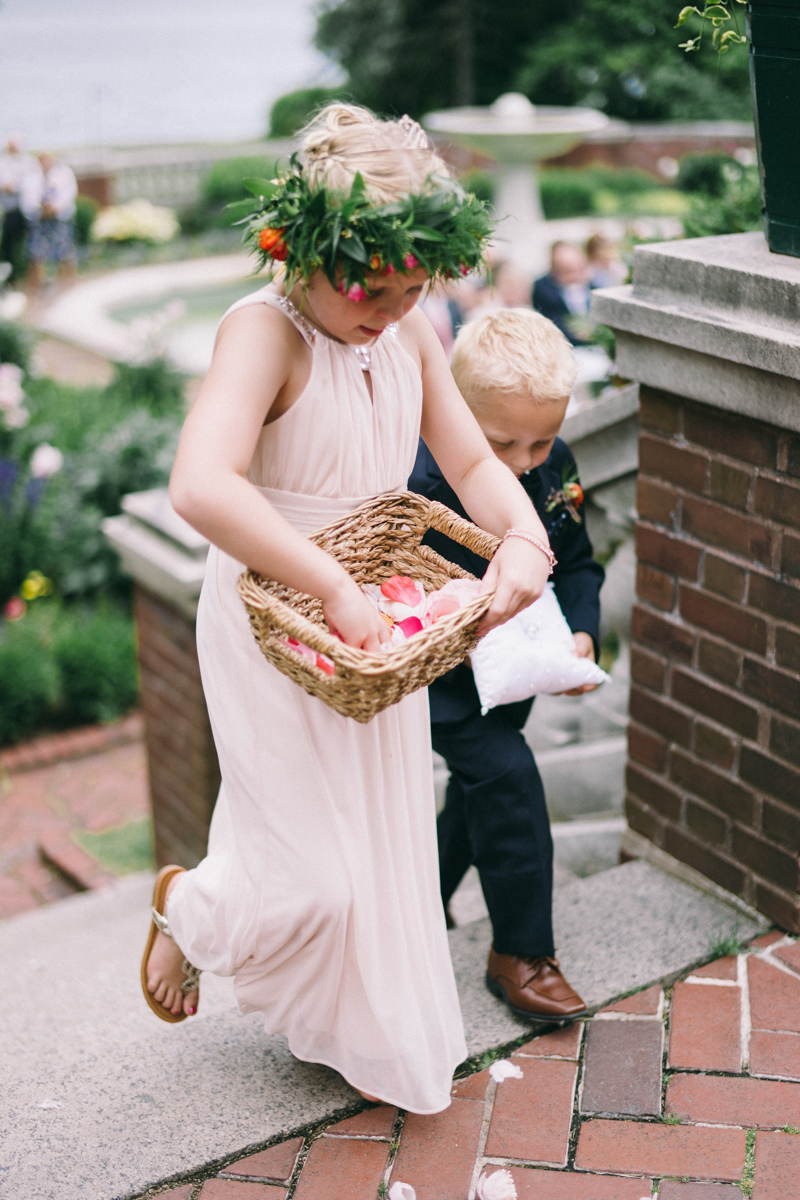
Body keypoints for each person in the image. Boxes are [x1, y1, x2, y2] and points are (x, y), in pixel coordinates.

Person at [140, 105, 556, 1115]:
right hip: (270, 618)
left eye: (413, 290)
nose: (391, 311)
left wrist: (524, 538)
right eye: (372, 289)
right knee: (310, 876)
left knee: (375, 844)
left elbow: (465, 459)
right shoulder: (260, 334)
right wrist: (329, 586)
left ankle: (346, 1028)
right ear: (308, 250)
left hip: (378, 627)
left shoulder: (405, 327)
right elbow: (200, 485)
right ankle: (186, 906)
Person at [409, 307, 604, 1022]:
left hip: (515, 672)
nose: (526, 462)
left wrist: (582, 633)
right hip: (438, 682)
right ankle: (520, 954)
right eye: (503, 444)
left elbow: (578, 563)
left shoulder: (555, 467)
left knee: (476, 794)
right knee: (506, 776)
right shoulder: (415, 487)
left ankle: (417, 909)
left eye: (542, 441)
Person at [26, 152, 78, 290]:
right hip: (39, 221)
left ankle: (67, 287)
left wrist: (55, 208)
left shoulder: (63, 173)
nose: (45, 163)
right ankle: (37, 290)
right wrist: (41, 209)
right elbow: (28, 200)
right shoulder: (32, 177)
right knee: (36, 257)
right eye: (42, 160)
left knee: (65, 254)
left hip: (60, 220)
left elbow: (69, 194)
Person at [532, 241, 593, 346]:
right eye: (569, 271)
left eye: (580, 269)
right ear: (556, 271)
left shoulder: (594, 285)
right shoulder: (544, 291)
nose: (576, 276)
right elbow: (551, 323)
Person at [0, 134, 42, 282]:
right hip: (11, 210)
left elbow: (34, 182)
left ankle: (31, 278)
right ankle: (13, 279)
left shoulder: (28, 161)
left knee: (31, 247)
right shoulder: (3, 162)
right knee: (10, 247)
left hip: (29, 210)